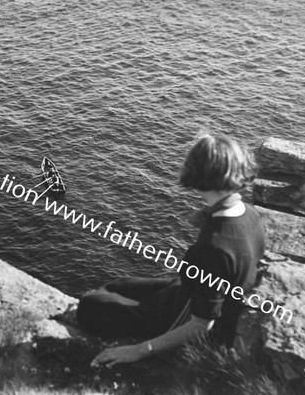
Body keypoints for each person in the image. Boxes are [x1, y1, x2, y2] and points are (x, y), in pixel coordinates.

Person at [77, 134, 265, 367]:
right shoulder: (250, 213)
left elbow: (201, 325)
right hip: (189, 290)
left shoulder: (213, 247)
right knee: (119, 285)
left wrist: (141, 350)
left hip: (187, 313)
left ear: (199, 174)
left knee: (89, 305)